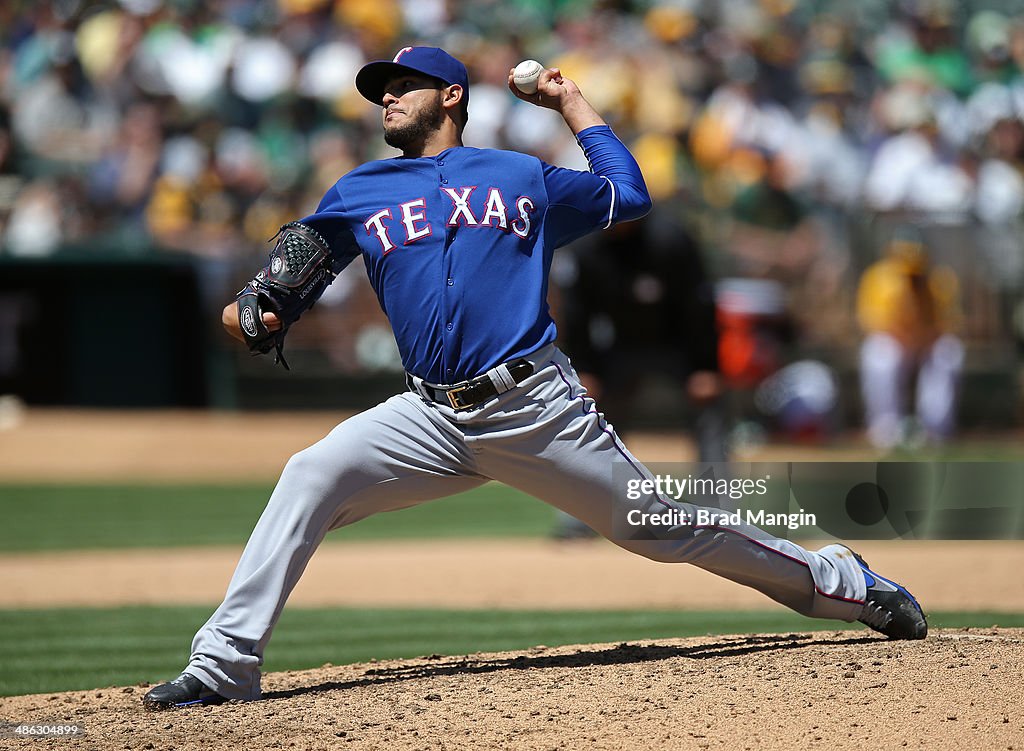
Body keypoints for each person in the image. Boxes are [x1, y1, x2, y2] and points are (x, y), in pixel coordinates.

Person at [143, 46, 927, 710]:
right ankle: (224, 663)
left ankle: (839, 579)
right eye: (379, 89)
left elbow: (630, 193)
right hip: (427, 415)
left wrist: (571, 102)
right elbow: (273, 291)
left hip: (534, 406)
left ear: (451, 97)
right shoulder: (358, 192)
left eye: (402, 85)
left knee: (660, 529)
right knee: (311, 472)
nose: (386, 96)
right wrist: (256, 310)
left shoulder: (520, 175)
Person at [856, 232, 964, 449]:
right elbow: (873, 323)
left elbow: (947, 324)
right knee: (879, 354)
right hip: (896, 342)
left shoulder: (941, 279)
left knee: (949, 352)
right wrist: (907, 340)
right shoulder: (879, 277)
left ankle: (936, 430)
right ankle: (884, 429)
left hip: (927, 343)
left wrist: (923, 340)